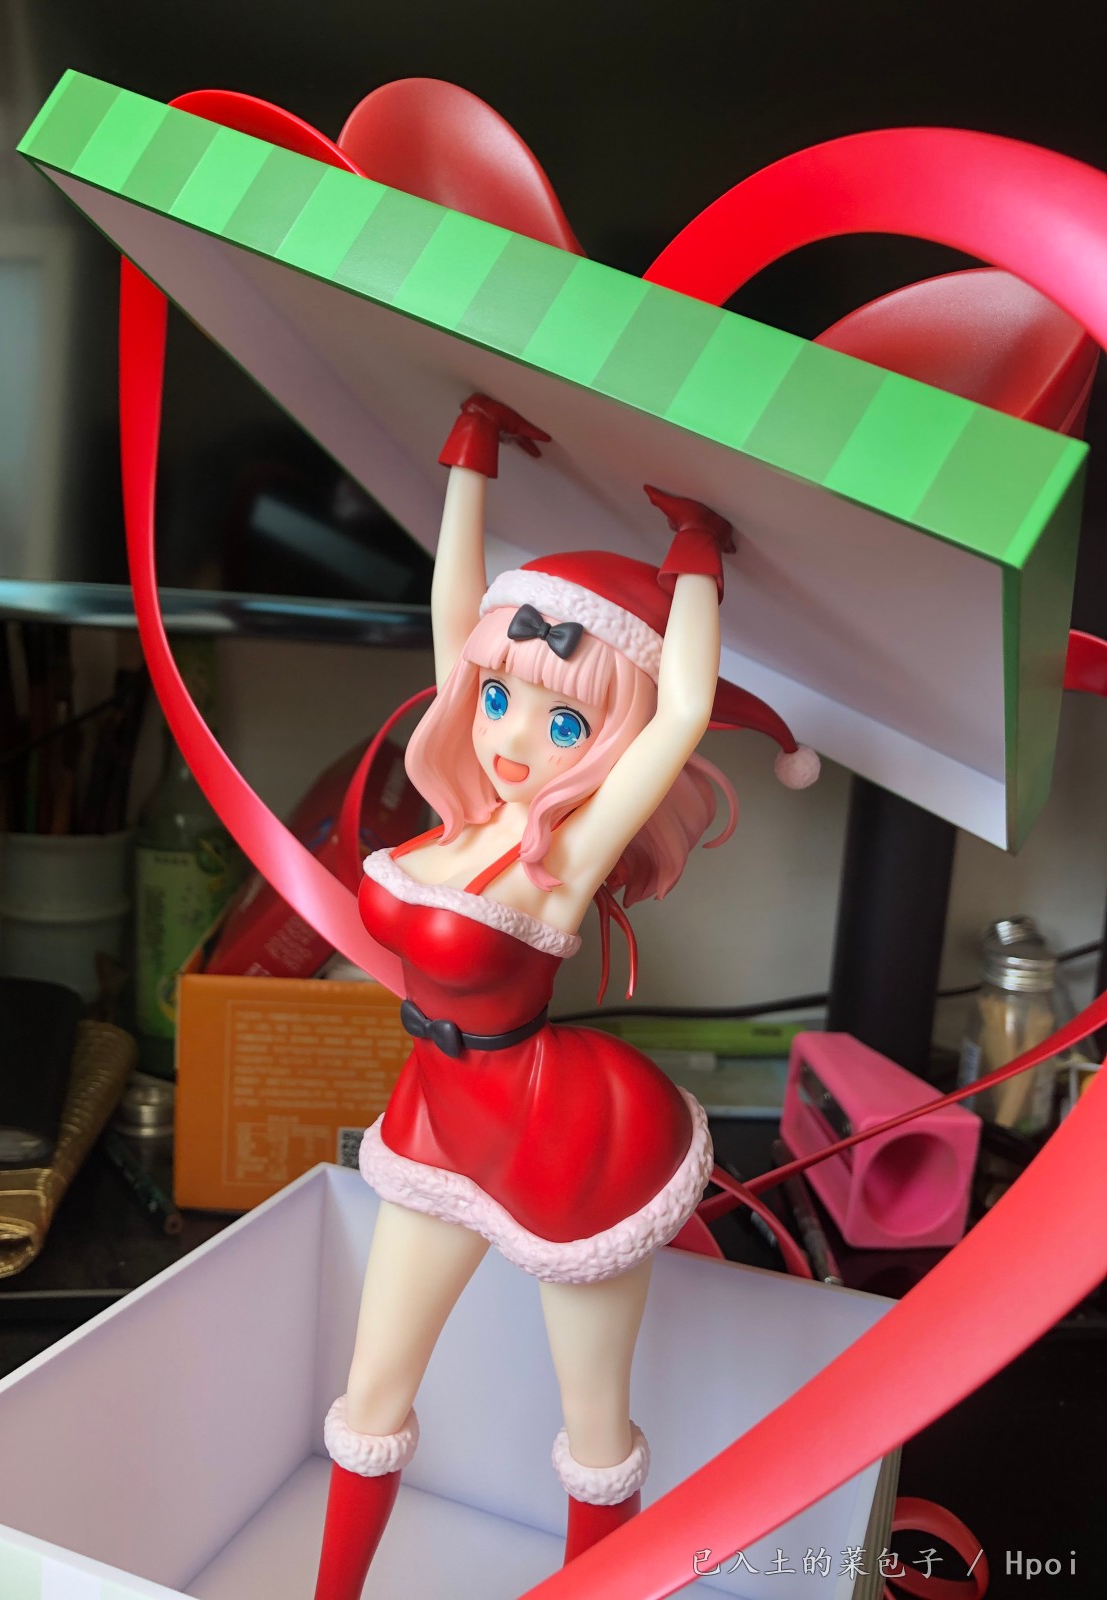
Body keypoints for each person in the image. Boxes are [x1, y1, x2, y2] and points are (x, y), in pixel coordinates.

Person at [313, 395, 817, 1599]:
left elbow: (682, 711)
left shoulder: (565, 856)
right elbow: (455, 615)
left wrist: (696, 560)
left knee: (594, 1426)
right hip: (437, 1119)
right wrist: (469, 458)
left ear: (604, 743)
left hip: (557, 1135)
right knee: (370, 1397)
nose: (514, 738)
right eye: (501, 697)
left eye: (565, 718)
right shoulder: (461, 816)